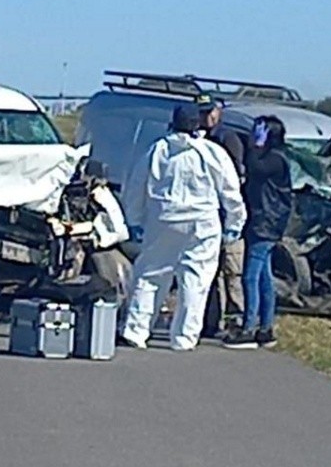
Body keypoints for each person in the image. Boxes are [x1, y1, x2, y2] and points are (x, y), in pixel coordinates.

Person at [118, 103, 247, 352]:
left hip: (163, 219)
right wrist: (235, 223)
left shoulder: (158, 150)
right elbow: (231, 192)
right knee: (196, 280)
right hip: (203, 223)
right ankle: (184, 337)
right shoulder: (212, 152)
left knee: (151, 274)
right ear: (196, 124)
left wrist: (134, 220)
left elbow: (136, 186)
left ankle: (136, 330)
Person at [223, 115, 292, 350]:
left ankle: (249, 328)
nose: (253, 136)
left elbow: (254, 167)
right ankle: (266, 328)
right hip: (262, 222)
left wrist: (255, 147)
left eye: (259, 132)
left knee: (250, 276)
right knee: (264, 277)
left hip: (266, 224)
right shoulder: (272, 157)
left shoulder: (275, 159)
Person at [195, 94, 247, 340]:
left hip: (229, 216)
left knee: (232, 272)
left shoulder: (227, 139)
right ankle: (211, 321)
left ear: (219, 112)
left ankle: (236, 320)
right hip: (207, 218)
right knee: (210, 273)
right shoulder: (196, 140)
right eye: (202, 112)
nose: (206, 117)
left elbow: (237, 180)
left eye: (210, 112)